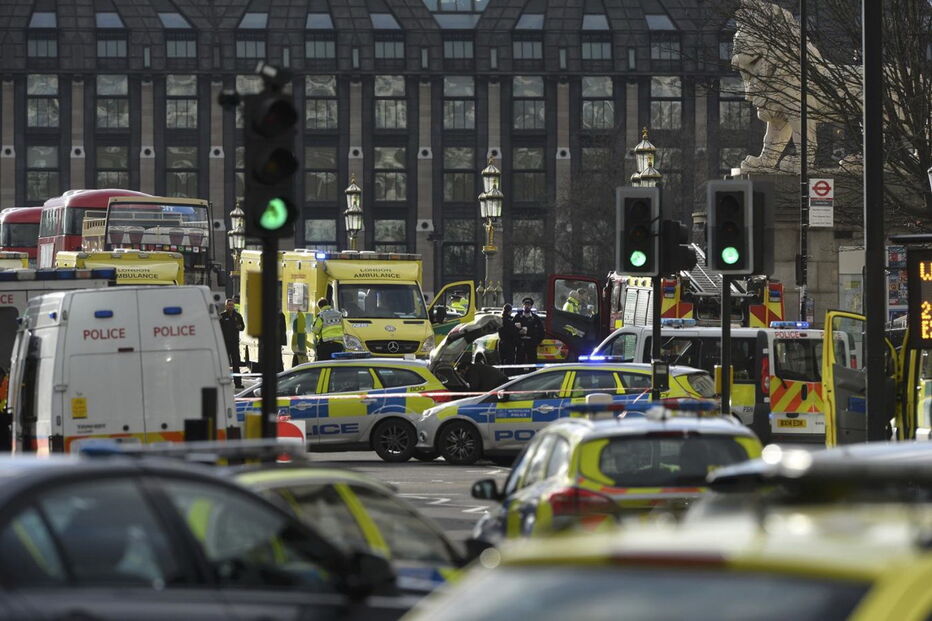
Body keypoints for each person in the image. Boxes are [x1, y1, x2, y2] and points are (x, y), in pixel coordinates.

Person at [219, 298, 245, 388]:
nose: (230, 306)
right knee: (225, 364)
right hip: (225, 344)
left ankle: (238, 383)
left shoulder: (237, 316)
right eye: (229, 305)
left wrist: (240, 326)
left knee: (236, 363)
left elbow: (243, 327)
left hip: (234, 343)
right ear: (225, 306)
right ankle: (224, 383)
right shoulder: (222, 316)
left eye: (232, 305)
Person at [513, 297, 544, 367]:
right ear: (523, 305)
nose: (527, 306)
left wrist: (536, 342)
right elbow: (512, 330)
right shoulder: (517, 317)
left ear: (531, 306)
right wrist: (517, 338)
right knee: (519, 364)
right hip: (521, 344)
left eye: (528, 305)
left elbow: (541, 332)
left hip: (531, 344)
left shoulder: (535, 318)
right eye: (525, 305)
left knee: (532, 364)